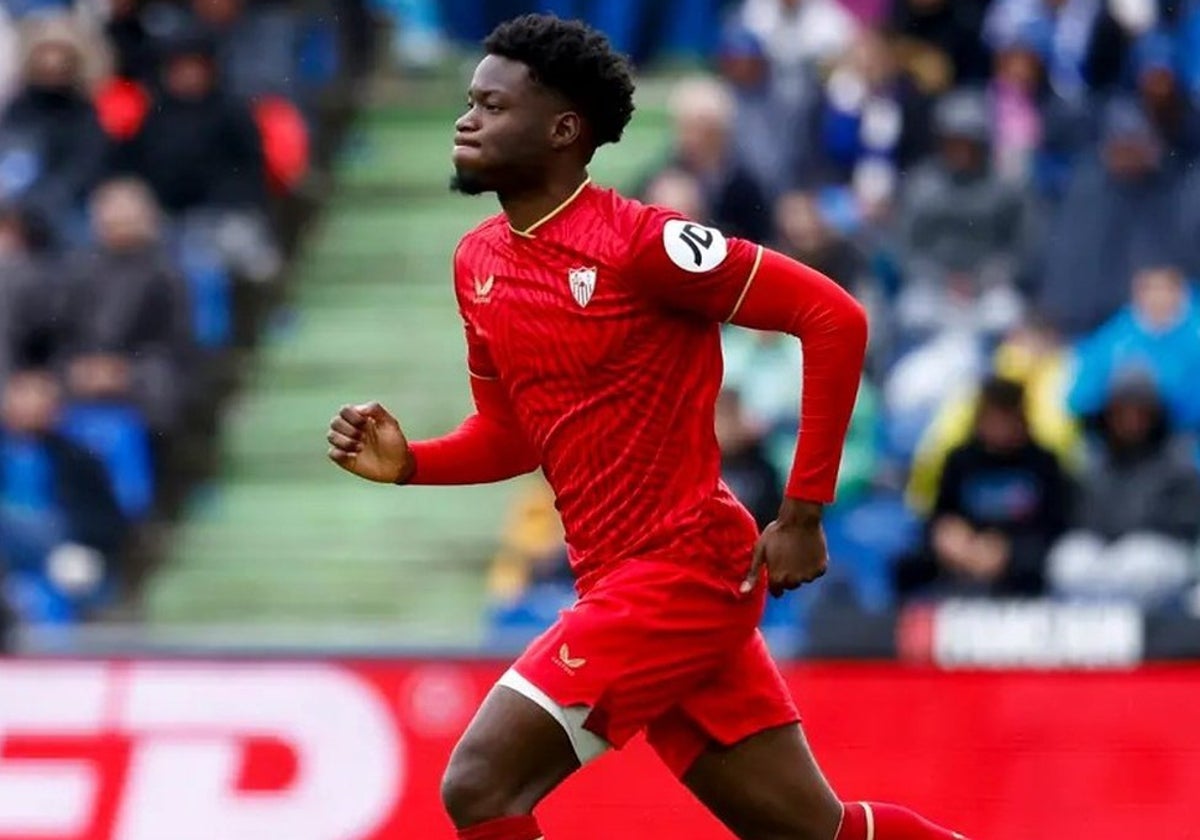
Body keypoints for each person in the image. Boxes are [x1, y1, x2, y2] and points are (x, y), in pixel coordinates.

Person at [325, 14, 967, 840]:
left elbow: (831, 315)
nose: (466, 119)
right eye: (469, 102)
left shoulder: (647, 245)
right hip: (625, 579)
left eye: (492, 104)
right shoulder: (478, 262)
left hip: (679, 572)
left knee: (480, 784)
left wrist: (803, 512)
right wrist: (415, 463)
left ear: (563, 129)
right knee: (812, 832)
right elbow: (511, 434)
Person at [896, 376, 1071, 599]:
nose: (999, 426)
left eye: (1005, 417)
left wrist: (1007, 549)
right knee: (908, 564)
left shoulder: (1043, 463)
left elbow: (1055, 525)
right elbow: (941, 516)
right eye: (993, 416)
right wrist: (949, 536)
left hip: (1021, 554)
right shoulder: (960, 460)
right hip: (965, 549)